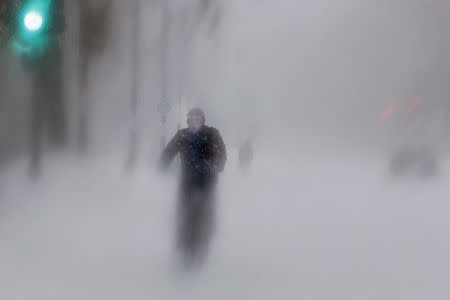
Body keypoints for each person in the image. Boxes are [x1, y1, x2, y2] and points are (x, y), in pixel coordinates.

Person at [160, 107, 227, 268]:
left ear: (203, 121)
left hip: (207, 182)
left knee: (205, 212)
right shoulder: (182, 135)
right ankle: (183, 242)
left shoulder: (212, 134)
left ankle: (204, 239)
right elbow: (169, 151)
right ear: (188, 121)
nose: (195, 123)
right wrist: (163, 164)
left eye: (198, 119)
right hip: (187, 183)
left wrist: (215, 165)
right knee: (184, 212)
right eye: (191, 119)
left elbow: (222, 155)